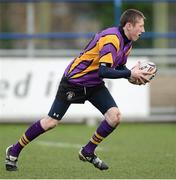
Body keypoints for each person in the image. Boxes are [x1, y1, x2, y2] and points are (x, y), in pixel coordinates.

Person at [5, 9, 151, 171]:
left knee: (114, 116)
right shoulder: (112, 39)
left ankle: (87, 151)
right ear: (129, 26)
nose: (143, 30)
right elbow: (104, 71)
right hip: (74, 81)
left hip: (94, 84)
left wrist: (131, 75)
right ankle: (14, 150)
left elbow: (118, 67)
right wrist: (130, 73)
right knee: (50, 122)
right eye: (141, 26)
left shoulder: (127, 42)